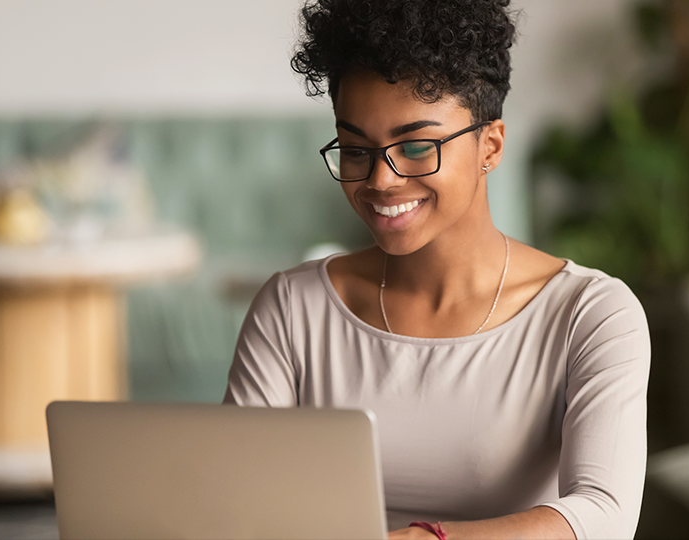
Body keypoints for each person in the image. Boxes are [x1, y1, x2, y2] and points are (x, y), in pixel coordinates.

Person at [223, 0, 650, 538]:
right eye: (356, 150)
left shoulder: (591, 314)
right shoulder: (292, 308)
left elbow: (604, 516)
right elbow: (235, 499)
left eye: (417, 146)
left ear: (490, 145)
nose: (381, 180)